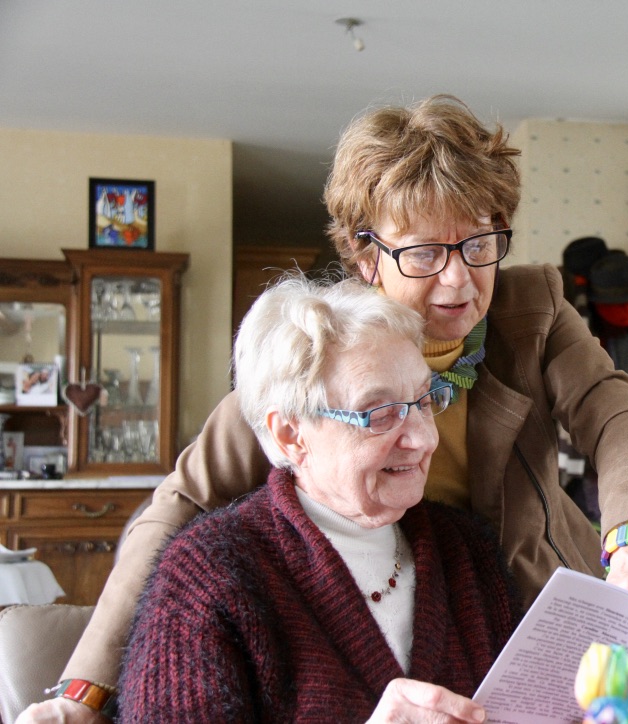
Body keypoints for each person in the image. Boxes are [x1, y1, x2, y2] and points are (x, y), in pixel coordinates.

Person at [22, 94, 628, 722]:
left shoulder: (530, 305)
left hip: (522, 603)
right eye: (424, 251)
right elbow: (182, 506)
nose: (459, 278)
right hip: (395, 610)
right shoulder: (323, 351)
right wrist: (83, 690)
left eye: (479, 244)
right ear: (368, 257)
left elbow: (616, 413)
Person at [114, 274, 520, 721]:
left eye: (424, 401)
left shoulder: (467, 551)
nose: (423, 439)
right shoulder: (205, 578)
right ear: (290, 435)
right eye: (380, 413)